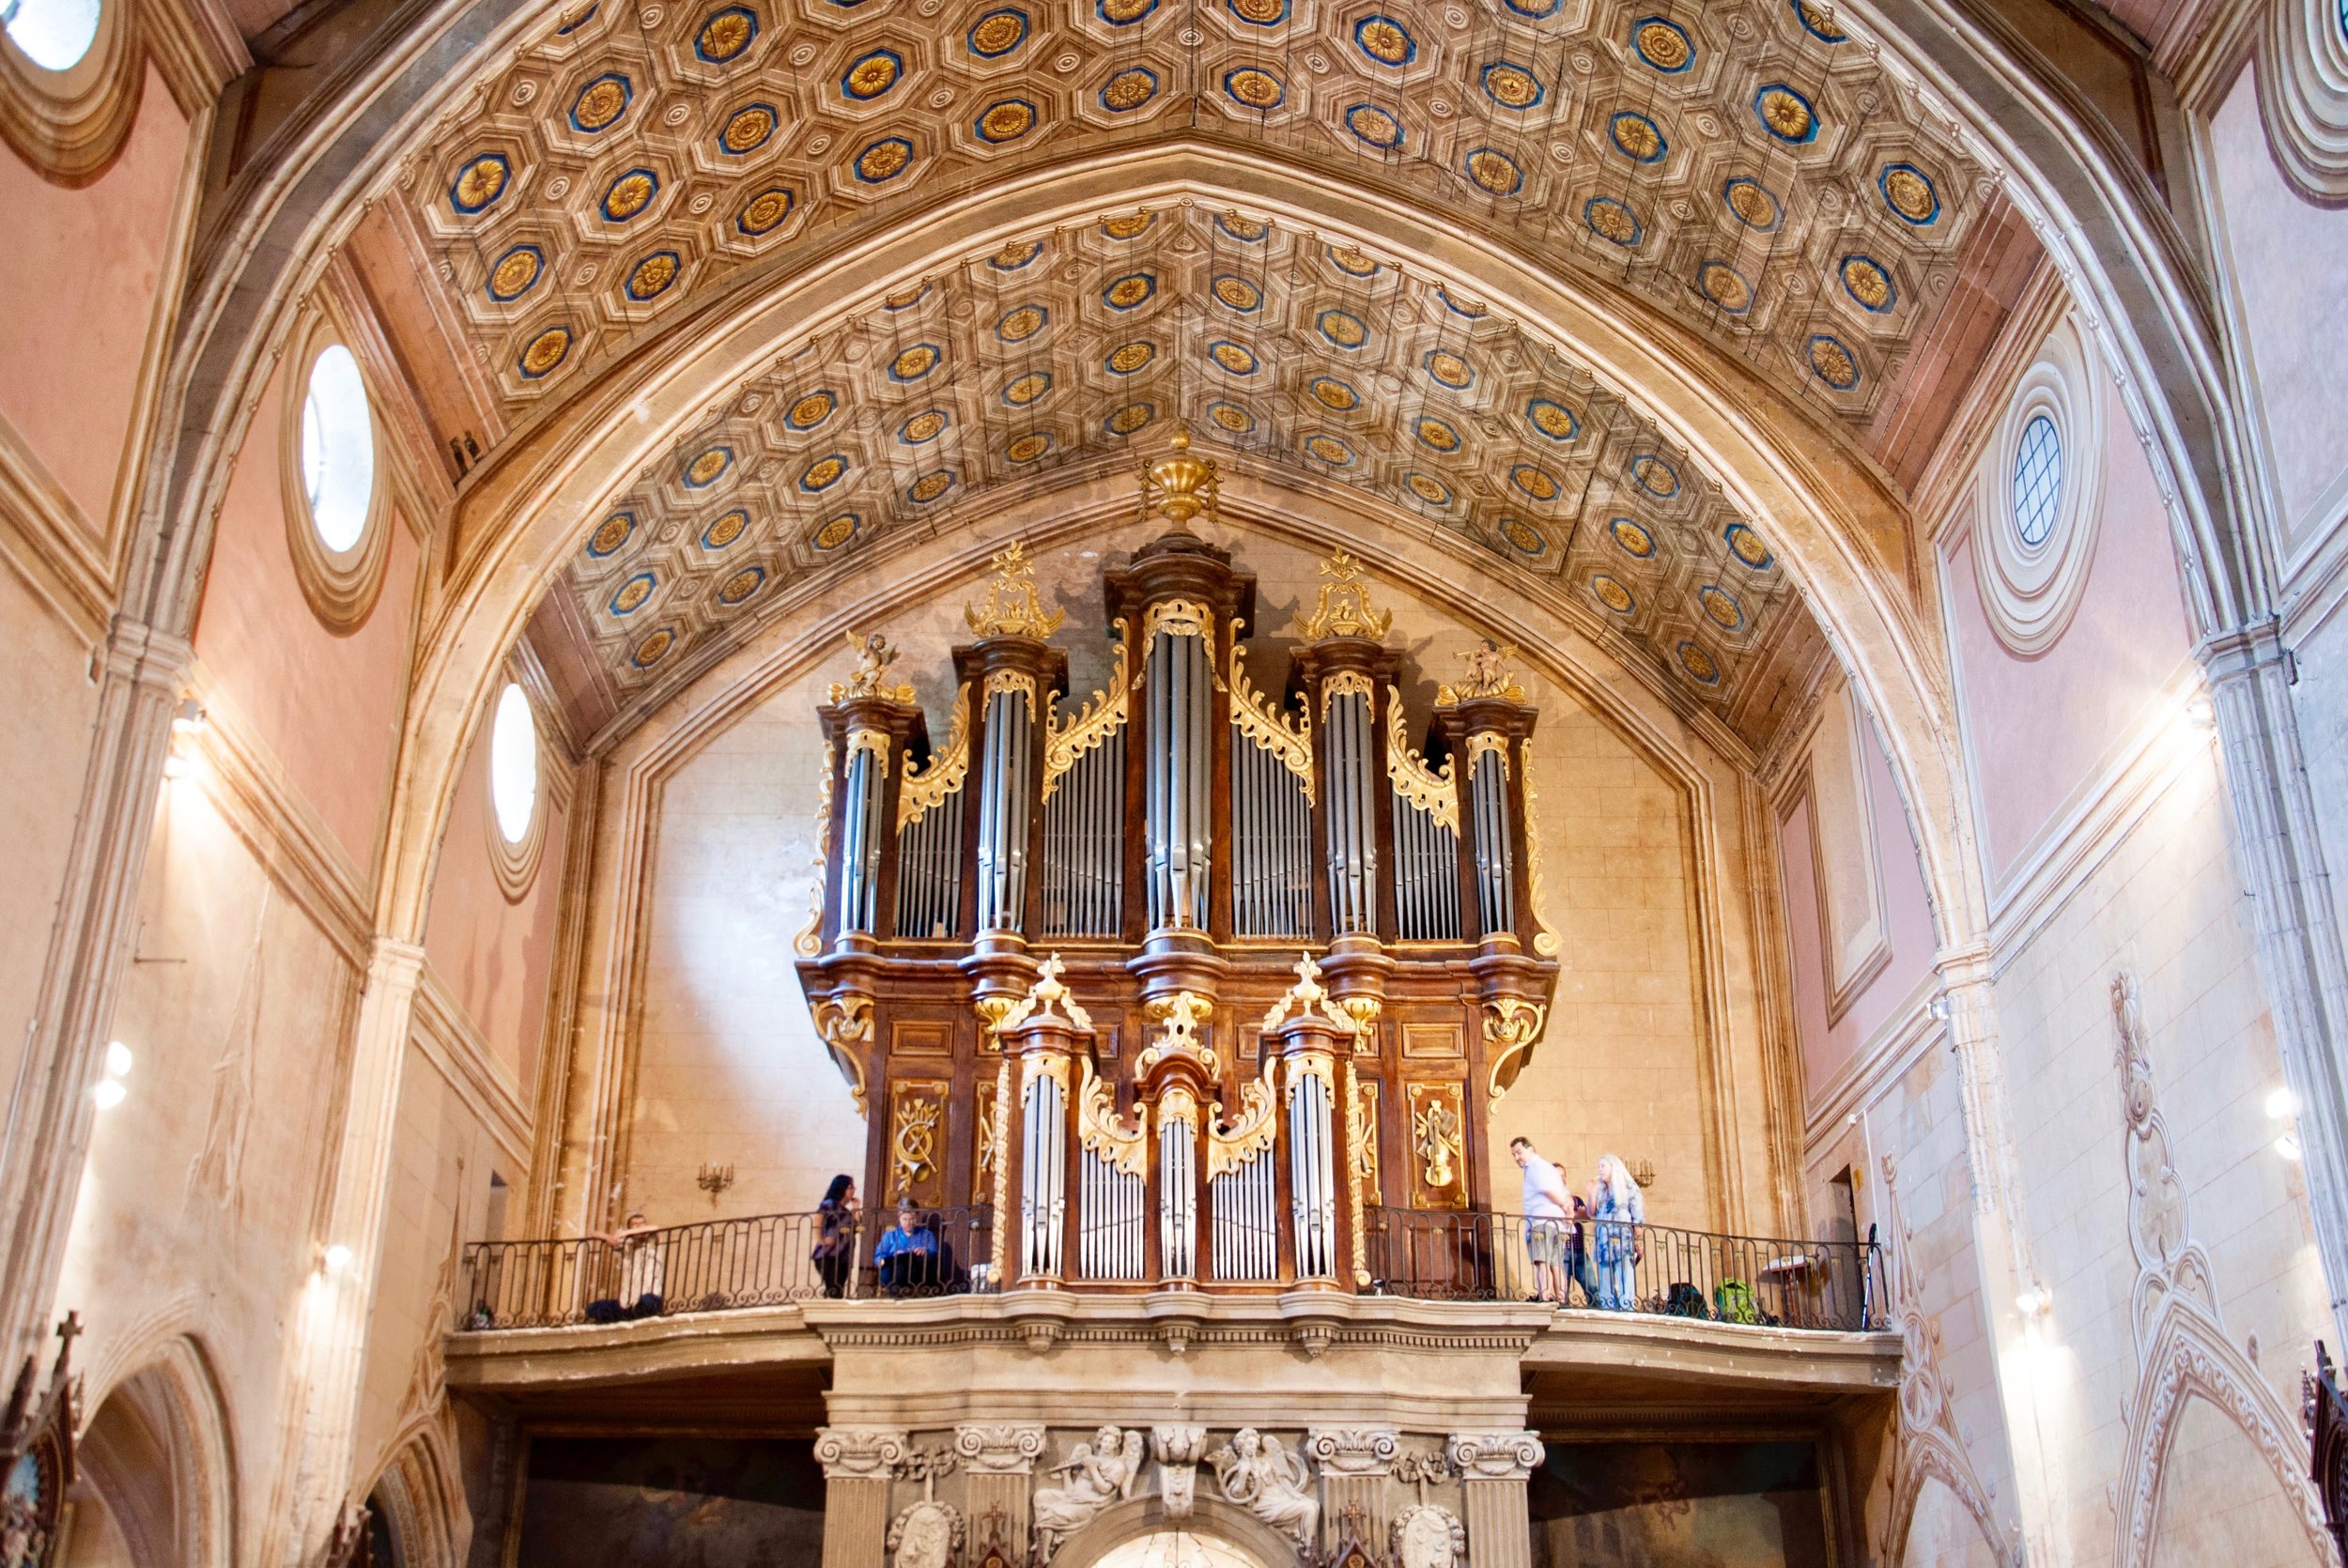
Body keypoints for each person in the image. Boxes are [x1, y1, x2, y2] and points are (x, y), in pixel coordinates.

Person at [1510, 1136, 1575, 1304]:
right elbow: (1567, 1194)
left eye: (1519, 1152)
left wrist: (1563, 1204)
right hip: (1559, 1225)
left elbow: (1547, 1191)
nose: (1517, 1158)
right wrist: (1568, 1211)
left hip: (1541, 1222)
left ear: (1530, 1150)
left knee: (1542, 1262)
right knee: (1557, 1264)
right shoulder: (1550, 1168)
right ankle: (1562, 1298)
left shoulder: (1534, 1168)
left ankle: (1544, 1296)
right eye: (1513, 1155)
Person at [585, 1211, 663, 1322]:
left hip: (650, 1298)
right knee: (593, 1308)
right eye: (635, 1224)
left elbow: (654, 1228)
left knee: (646, 1303)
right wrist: (608, 1237)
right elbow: (592, 1233)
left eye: (642, 1223)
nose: (639, 1227)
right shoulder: (627, 1244)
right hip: (628, 1302)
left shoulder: (653, 1240)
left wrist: (624, 1233)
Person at [1590, 1154, 1645, 1311]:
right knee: (1605, 1276)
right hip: (1603, 1240)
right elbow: (1592, 1212)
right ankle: (1608, 1307)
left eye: (1603, 1166)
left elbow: (1637, 1215)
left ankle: (1627, 1307)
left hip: (1622, 1239)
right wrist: (1591, 1193)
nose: (1599, 1170)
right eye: (1599, 1166)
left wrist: (1638, 1235)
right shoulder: (1600, 1190)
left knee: (1625, 1274)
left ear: (1613, 1167)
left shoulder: (1629, 1187)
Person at [874, 1199, 939, 1295]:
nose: (908, 1223)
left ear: (917, 1217)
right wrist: (885, 1259)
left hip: (917, 1272)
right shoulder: (890, 1235)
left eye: (911, 1219)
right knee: (900, 1260)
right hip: (895, 1272)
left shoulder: (927, 1235)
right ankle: (897, 1294)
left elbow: (933, 1252)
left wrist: (924, 1250)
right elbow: (879, 1256)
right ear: (899, 1218)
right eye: (905, 1219)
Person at [812, 1174, 858, 1299]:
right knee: (834, 1289)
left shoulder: (847, 1212)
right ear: (841, 1187)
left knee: (836, 1289)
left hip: (843, 1257)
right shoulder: (830, 1204)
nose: (853, 1189)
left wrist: (856, 1209)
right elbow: (818, 1218)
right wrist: (821, 1239)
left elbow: (857, 1227)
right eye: (850, 1187)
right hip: (829, 1255)